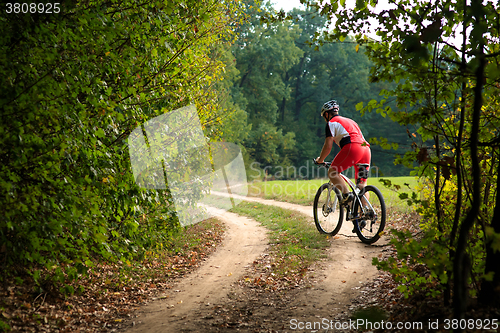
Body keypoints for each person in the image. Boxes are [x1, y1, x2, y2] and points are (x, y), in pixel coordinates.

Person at [314, 100, 371, 204]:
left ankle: (346, 194)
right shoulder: (351, 121)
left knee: (333, 172)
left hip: (353, 148)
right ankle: (364, 214)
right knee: (362, 185)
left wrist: (320, 160)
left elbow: (328, 146)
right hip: (366, 150)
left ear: (326, 114)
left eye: (323, 116)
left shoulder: (331, 123)